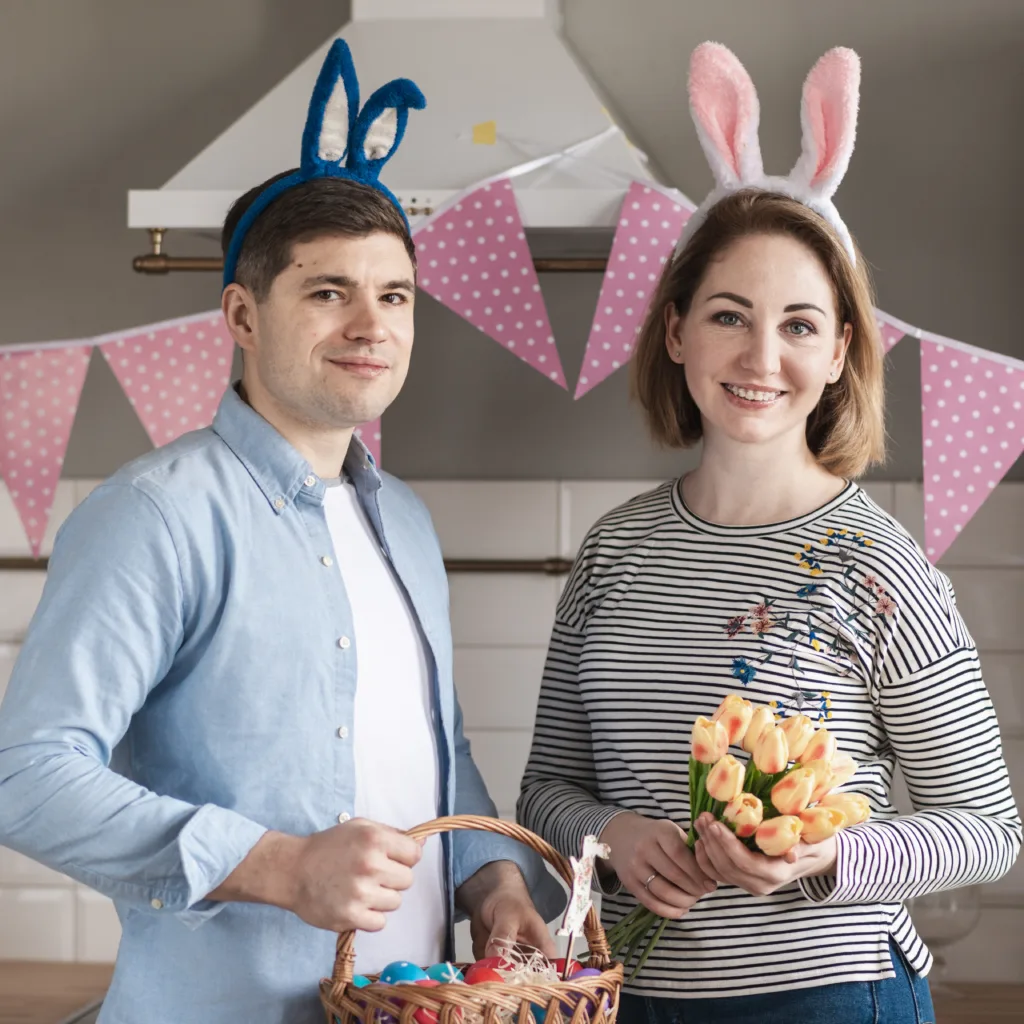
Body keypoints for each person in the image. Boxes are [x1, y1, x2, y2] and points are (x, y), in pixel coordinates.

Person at [0, 40, 561, 1024]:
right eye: (326, 291)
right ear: (242, 314)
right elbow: (27, 778)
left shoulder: (409, 523)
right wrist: (279, 865)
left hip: (407, 1008)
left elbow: (439, 750)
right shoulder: (157, 516)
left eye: (394, 296)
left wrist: (492, 884)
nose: (370, 324)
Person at [517, 42, 1021, 1024]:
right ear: (676, 333)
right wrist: (612, 829)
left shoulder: (880, 565)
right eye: (728, 315)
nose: (760, 355)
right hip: (626, 993)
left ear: (839, 351)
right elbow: (544, 789)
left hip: (828, 992)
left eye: (798, 324)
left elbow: (989, 827)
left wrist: (832, 853)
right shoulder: (612, 553)